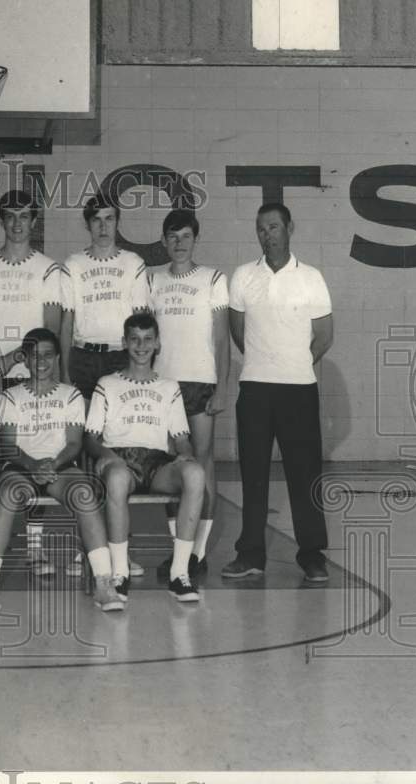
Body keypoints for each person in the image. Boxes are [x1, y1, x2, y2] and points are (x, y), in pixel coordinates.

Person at [225, 203, 333, 583]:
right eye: (261, 228)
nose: (266, 234)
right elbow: (238, 333)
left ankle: (312, 555)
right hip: (255, 389)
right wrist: (265, 361)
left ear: (290, 228)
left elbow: (324, 337)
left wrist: (294, 363)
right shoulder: (242, 277)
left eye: (273, 227)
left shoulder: (312, 278)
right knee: (253, 476)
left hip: (299, 391)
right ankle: (251, 554)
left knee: (304, 476)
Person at [0, 328, 122, 613]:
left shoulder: (71, 396)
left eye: (47, 355)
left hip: (60, 466)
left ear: (57, 358)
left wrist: (52, 465)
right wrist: (33, 466)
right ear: (24, 359)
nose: (40, 362)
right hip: (20, 465)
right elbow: (8, 446)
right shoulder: (11, 396)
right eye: (33, 356)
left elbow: (73, 443)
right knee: (7, 495)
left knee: (84, 494)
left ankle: (104, 583)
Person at [0, 189, 63, 576]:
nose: (18, 223)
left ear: (35, 221)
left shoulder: (48, 269)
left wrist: (12, 361)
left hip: (33, 378)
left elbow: (51, 330)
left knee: (35, 458)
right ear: (1, 220)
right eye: (10, 215)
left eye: (25, 216)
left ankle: (35, 548)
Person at [85, 313, 206, 603]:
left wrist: (185, 457)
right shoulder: (107, 384)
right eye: (135, 339)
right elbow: (90, 437)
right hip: (120, 459)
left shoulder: (169, 387)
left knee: (196, 474)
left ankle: (180, 573)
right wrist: (107, 455)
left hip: (156, 462)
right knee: (115, 478)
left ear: (158, 344)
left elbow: (181, 439)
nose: (141, 346)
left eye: (148, 339)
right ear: (124, 343)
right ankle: (119, 573)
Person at [147, 209, 229, 580]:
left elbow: (221, 340)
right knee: (174, 466)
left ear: (196, 240)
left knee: (204, 463)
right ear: (164, 241)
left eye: (186, 237)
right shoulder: (152, 279)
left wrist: (223, 387)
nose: (179, 244)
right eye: (172, 237)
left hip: (200, 382)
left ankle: (199, 551)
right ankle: (177, 547)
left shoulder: (213, 279)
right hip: (164, 386)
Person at [60, 193, 149, 402]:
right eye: (96, 220)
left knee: (117, 429)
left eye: (109, 219)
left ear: (117, 222)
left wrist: (141, 366)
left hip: (120, 356)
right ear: (87, 225)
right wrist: (63, 371)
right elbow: (66, 322)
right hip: (82, 357)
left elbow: (141, 320)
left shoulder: (133, 262)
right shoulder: (73, 264)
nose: (103, 227)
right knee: (84, 429)